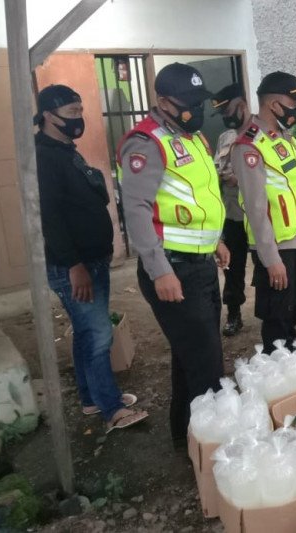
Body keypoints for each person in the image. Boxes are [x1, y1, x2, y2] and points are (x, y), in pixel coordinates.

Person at [117, 63, 229, 445]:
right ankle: (212, 456)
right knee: (208, 370)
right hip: (173, 269)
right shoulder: (146, 142)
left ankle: (187, 441)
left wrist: (216, 240)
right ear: (163, 102)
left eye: (200, 102)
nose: (197, 110)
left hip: (199, 265)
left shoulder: (193, 138)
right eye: (189, 104)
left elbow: (199, 197)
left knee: (191, 360)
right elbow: (136, 210)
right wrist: (159, 270)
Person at [35, 84, 147, 433]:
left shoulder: (67, 149)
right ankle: (111, 409)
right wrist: (74, 266)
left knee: (87, 334)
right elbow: (50, 218)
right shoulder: (44, 157)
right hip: (74, 265)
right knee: (99, 336)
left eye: (80, 111)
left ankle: (90, 398)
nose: (78, 119)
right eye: (71, 113)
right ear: (48, 116)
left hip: (92, 259)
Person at [231, 71, 296, 353]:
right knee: (277, 316)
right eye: (292, 103)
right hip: (276, 246)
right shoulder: (249, 145)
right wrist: (270, 259)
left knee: (295, 304)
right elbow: (256, 208)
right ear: (274, 105)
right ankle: (277, 367)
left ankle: (291, 360)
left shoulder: (284, 139)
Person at [211, 83, 251, 336]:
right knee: (233, 268)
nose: (227, 117)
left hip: (260, 216)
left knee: (269, 265)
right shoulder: (226, 138)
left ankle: (275, 315)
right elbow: (216, 172)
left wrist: (243, 178)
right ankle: (234, 314)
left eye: (229, 110)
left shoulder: (262, 134)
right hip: (233, 215)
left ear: (243, 106)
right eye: (223, 113)